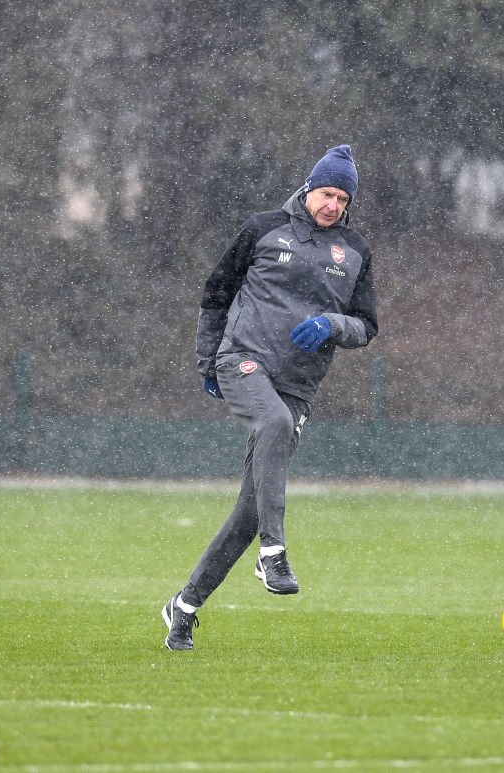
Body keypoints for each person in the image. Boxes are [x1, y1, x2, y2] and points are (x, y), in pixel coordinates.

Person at [162, 145, 378, 650]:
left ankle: (185, 606)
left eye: (343, 199)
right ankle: (273, 552)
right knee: (274, 426)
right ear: (308, 187)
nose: (334, 205)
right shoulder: (262, 229)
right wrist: (207, 361)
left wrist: (332, 324)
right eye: (328, 193)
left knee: (250, 508)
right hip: (243, 358)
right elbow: (215, 296)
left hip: (297, 387)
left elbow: (367, 326)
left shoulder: (356, 252)